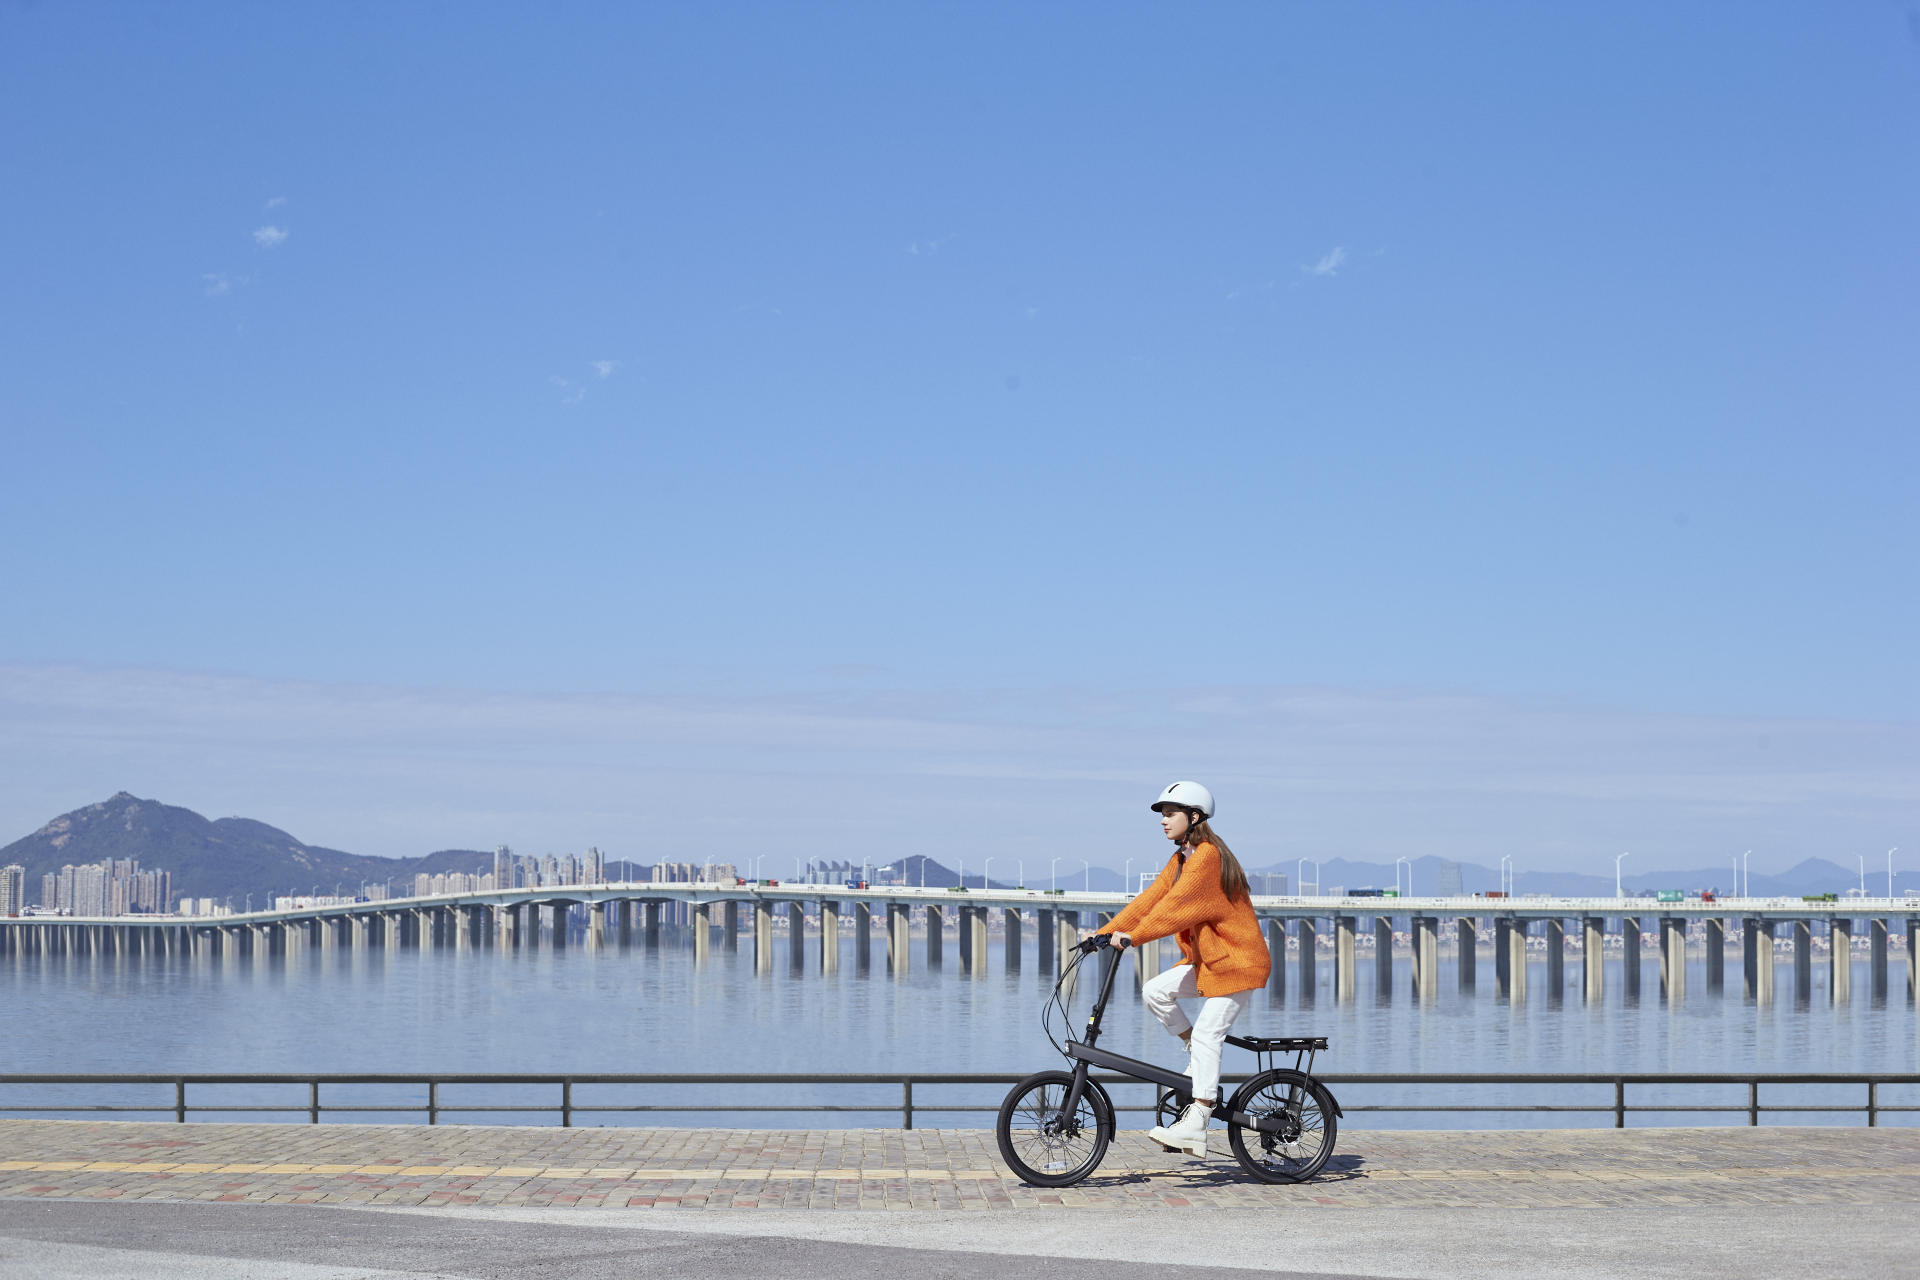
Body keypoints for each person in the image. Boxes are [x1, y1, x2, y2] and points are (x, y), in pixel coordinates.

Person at [1098, 781, 1269, 1158]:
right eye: (1161, 814)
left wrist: (1133, 937)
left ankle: (1199, 1121)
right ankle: (1197, 1052)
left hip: (1238, 964)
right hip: (1210, 964)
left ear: (1194, 817)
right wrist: (1104, 933)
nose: (1163, 820)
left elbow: (1174, 909)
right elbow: (1151, 899)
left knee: (1210, 1034)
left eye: (1170, 813)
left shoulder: (1207, 857)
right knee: (1155, 991)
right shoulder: (1180, 860)